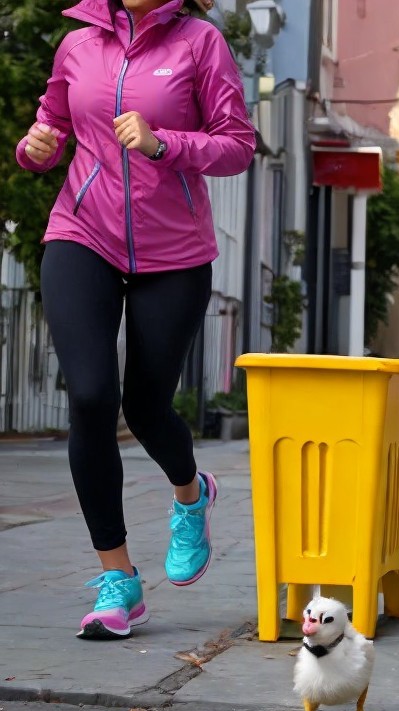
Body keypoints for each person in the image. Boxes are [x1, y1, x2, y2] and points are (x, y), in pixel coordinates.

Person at [15, 0, 256, 639]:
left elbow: (238, 147)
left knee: (148, 407)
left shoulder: (200, 42)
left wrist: (161, 144)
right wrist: (35, 148)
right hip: (80, 233)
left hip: (173, 254)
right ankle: (118, 580)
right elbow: (52, 128)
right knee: (92, 395)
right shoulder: (78, 46)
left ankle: (190, 493)